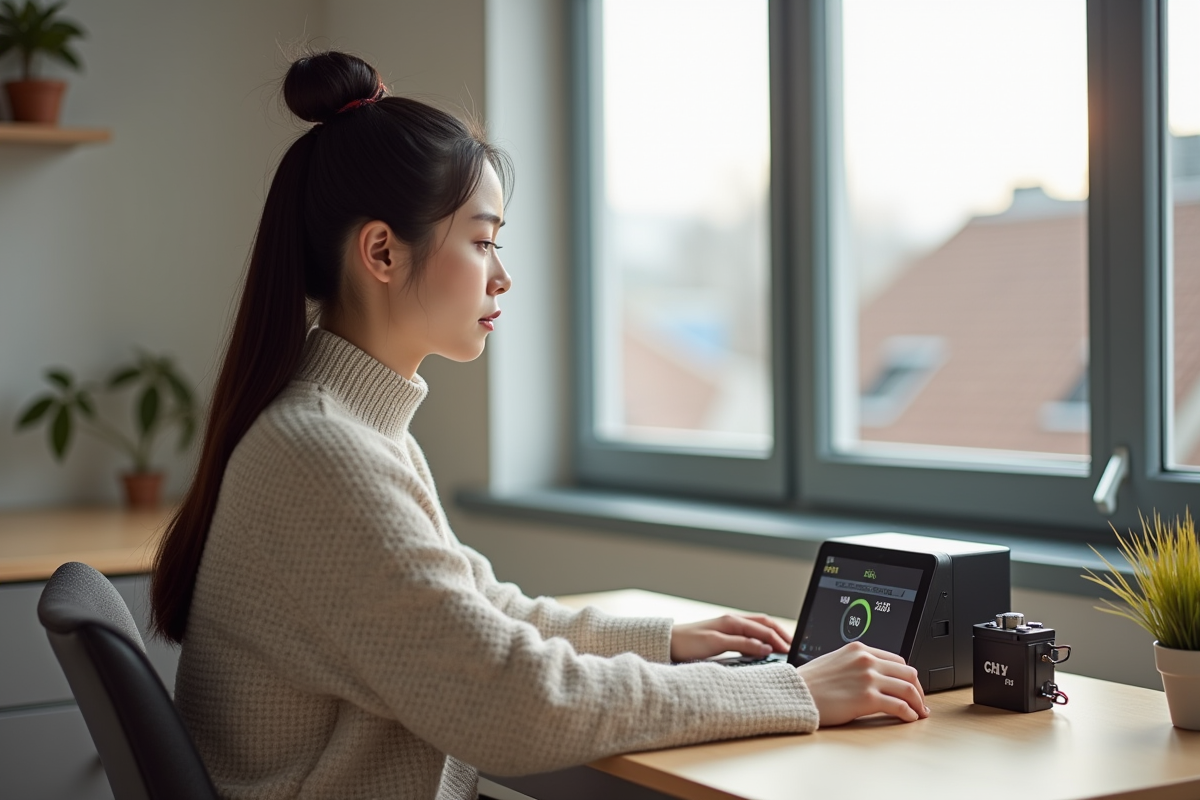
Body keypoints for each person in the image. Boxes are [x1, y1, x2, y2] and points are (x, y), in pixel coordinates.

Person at [151, 50, 928, 800]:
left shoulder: (351, 430)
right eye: (483, 240)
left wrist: (667, 639)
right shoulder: (323, 453)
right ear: (382, 252)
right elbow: (517, 706)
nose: (502, 273)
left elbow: (491, 614)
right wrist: (789, 692)